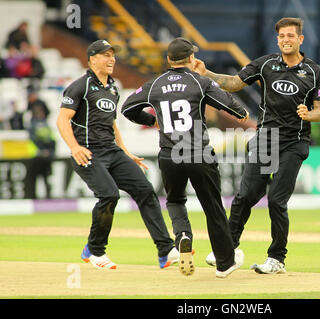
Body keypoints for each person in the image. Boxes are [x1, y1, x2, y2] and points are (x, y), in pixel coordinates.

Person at [193, 17, 320, 274]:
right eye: (282, 36)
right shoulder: (265, 64)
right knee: (246, 196)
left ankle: (276, 258)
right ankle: (227, 250)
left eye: (290, 36)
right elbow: (234, 83)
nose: (286, 40)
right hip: (267, 139)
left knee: (277, 200)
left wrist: (309, 114)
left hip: (294, 142)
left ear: (300, 39)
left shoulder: (315, 72)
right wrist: (206, 73)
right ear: (278, 40)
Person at [121, 37, 248, 278]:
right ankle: (224, 264)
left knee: (175, 201)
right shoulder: (200, 82)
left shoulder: (154, 84)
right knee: (213, 209)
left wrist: (152, 121)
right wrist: (239, 110)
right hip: (198, 153)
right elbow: (236, 109)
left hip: (169, 156)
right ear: (191, 58)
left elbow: (127, 108)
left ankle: (183, 236)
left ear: (169, 60)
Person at [56, 39, 179, 270]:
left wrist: (125, 152)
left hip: (112, 151)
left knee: (145, 190)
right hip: (87, 153)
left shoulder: (113, 88)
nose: (112, 59)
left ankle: (165, 250)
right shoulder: (79, 86)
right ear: (92, 59)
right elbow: (62, 119)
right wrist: (74, 148)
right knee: (109, 195)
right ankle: (94, 250)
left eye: (113, 55)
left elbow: (112, 125)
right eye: (105, 55)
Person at [27, 105, 55, 199]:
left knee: (34, 179)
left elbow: (32, 140)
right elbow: (52, 140)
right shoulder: (46, 126)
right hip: (44, 157)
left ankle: (32, 197)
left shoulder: (31, 126)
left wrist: (40, 151)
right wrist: (49, 152)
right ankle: (48, 197)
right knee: (46, 178)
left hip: (35, 157)